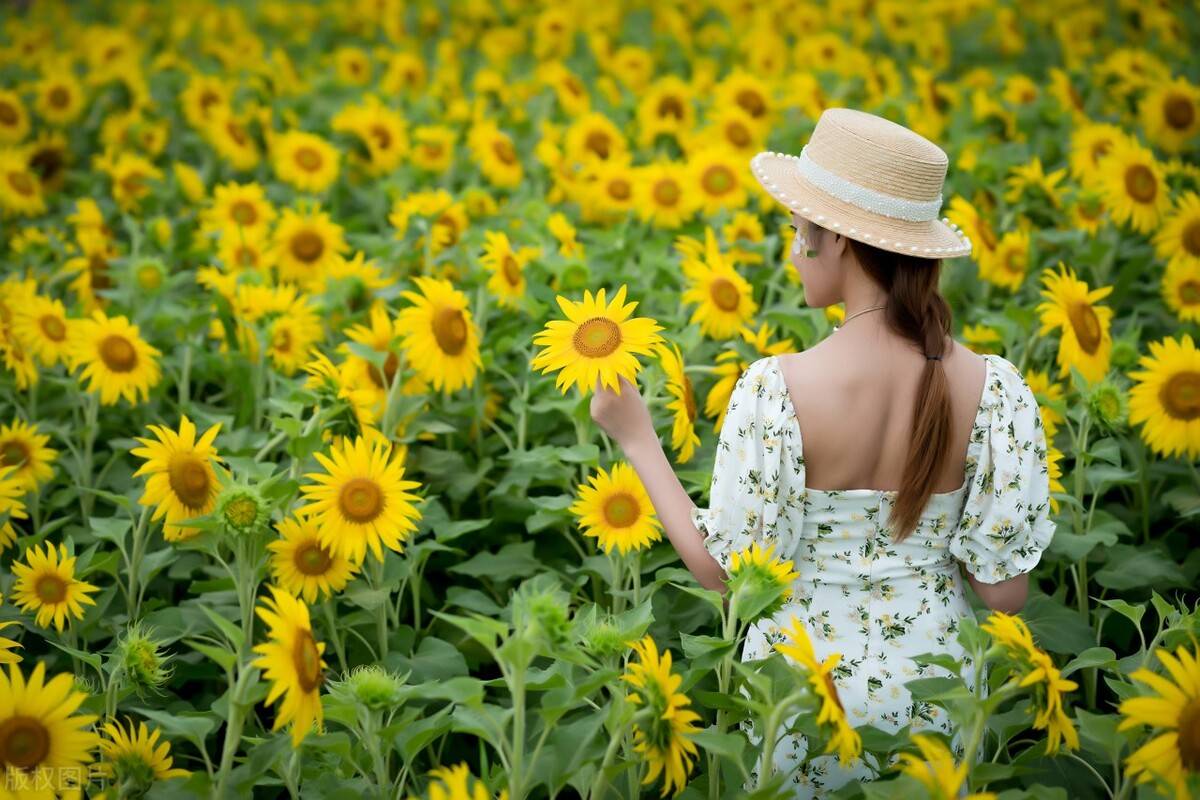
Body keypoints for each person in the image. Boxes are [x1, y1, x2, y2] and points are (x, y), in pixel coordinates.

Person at [589, 108, 1057, 796]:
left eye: (798, 232)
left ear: (834, 239)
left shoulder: (778, 390)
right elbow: (1002, 593)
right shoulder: (995, 390)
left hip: (799, 698)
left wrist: (637, 438)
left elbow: (727, 575)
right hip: (940, 698)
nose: (793, 249)